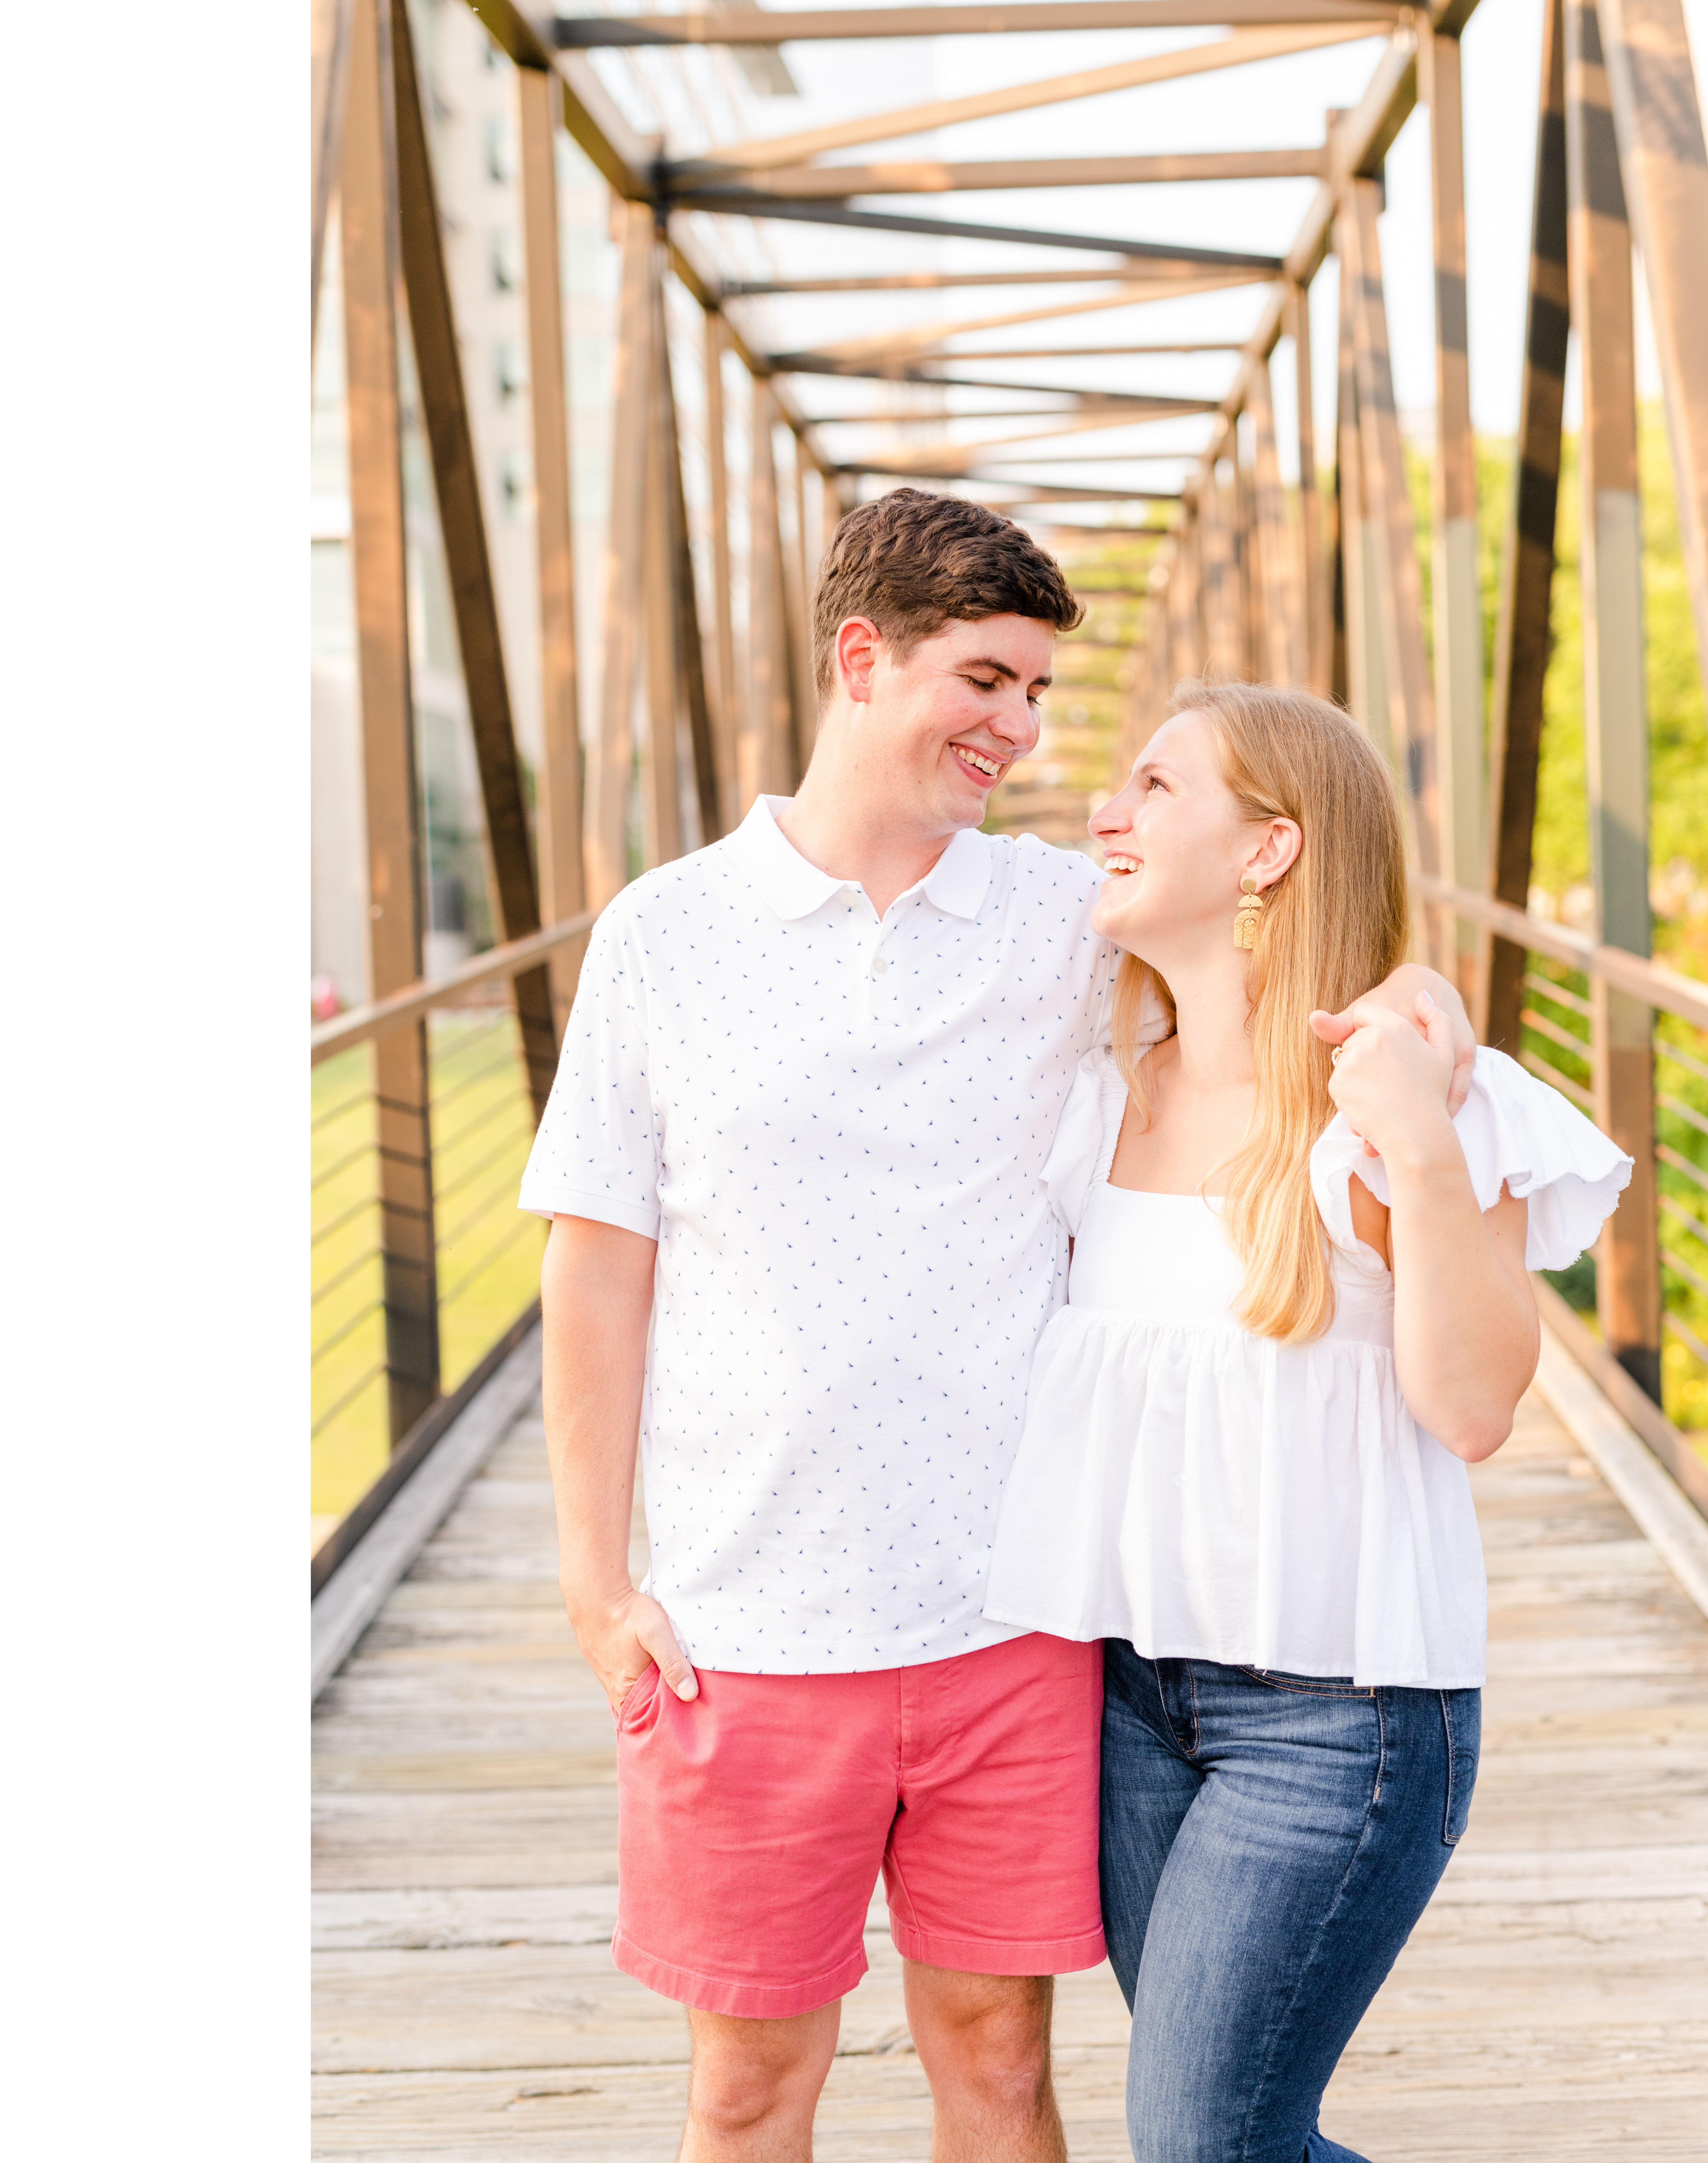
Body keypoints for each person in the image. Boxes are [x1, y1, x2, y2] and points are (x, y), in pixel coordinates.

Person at [516, 492, 1478, 2163]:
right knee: (746, 2095)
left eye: (1039, 692)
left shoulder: (1062, 924)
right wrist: (599, 1587)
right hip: (747, 1629)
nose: (1022, 732)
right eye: (987, 681)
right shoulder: (663, 937)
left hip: (1017, 1627)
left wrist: (1424, 1007)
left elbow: (1281, 968)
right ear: (861, 656)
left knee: (1002, 2070)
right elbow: (596, 1263)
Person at [984, 681, 1634, 2163]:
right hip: (1134, 1704)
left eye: (1155, 786)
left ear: (1268, 849)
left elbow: (1475, 1407)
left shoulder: (1401, 1106)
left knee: (1206, 2140)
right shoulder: (1097, 1096)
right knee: (1240, 2137)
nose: (1104, 811)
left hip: (1341, 1724)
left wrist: (1417, 1142)